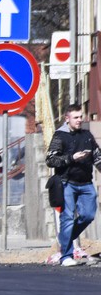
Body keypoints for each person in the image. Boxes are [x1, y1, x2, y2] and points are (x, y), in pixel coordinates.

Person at [45, 104, 101, 267]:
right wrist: (71, 158)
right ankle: (66, 256)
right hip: (66, 183)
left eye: (80, 116)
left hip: (86, 184)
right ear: (67, 118)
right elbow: (50, 160)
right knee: (67, 218)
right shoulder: (60, 136)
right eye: (75, 117)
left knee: (88, 215)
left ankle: (65, 241)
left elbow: (97, 157)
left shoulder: (87, 135)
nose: (79, 120)